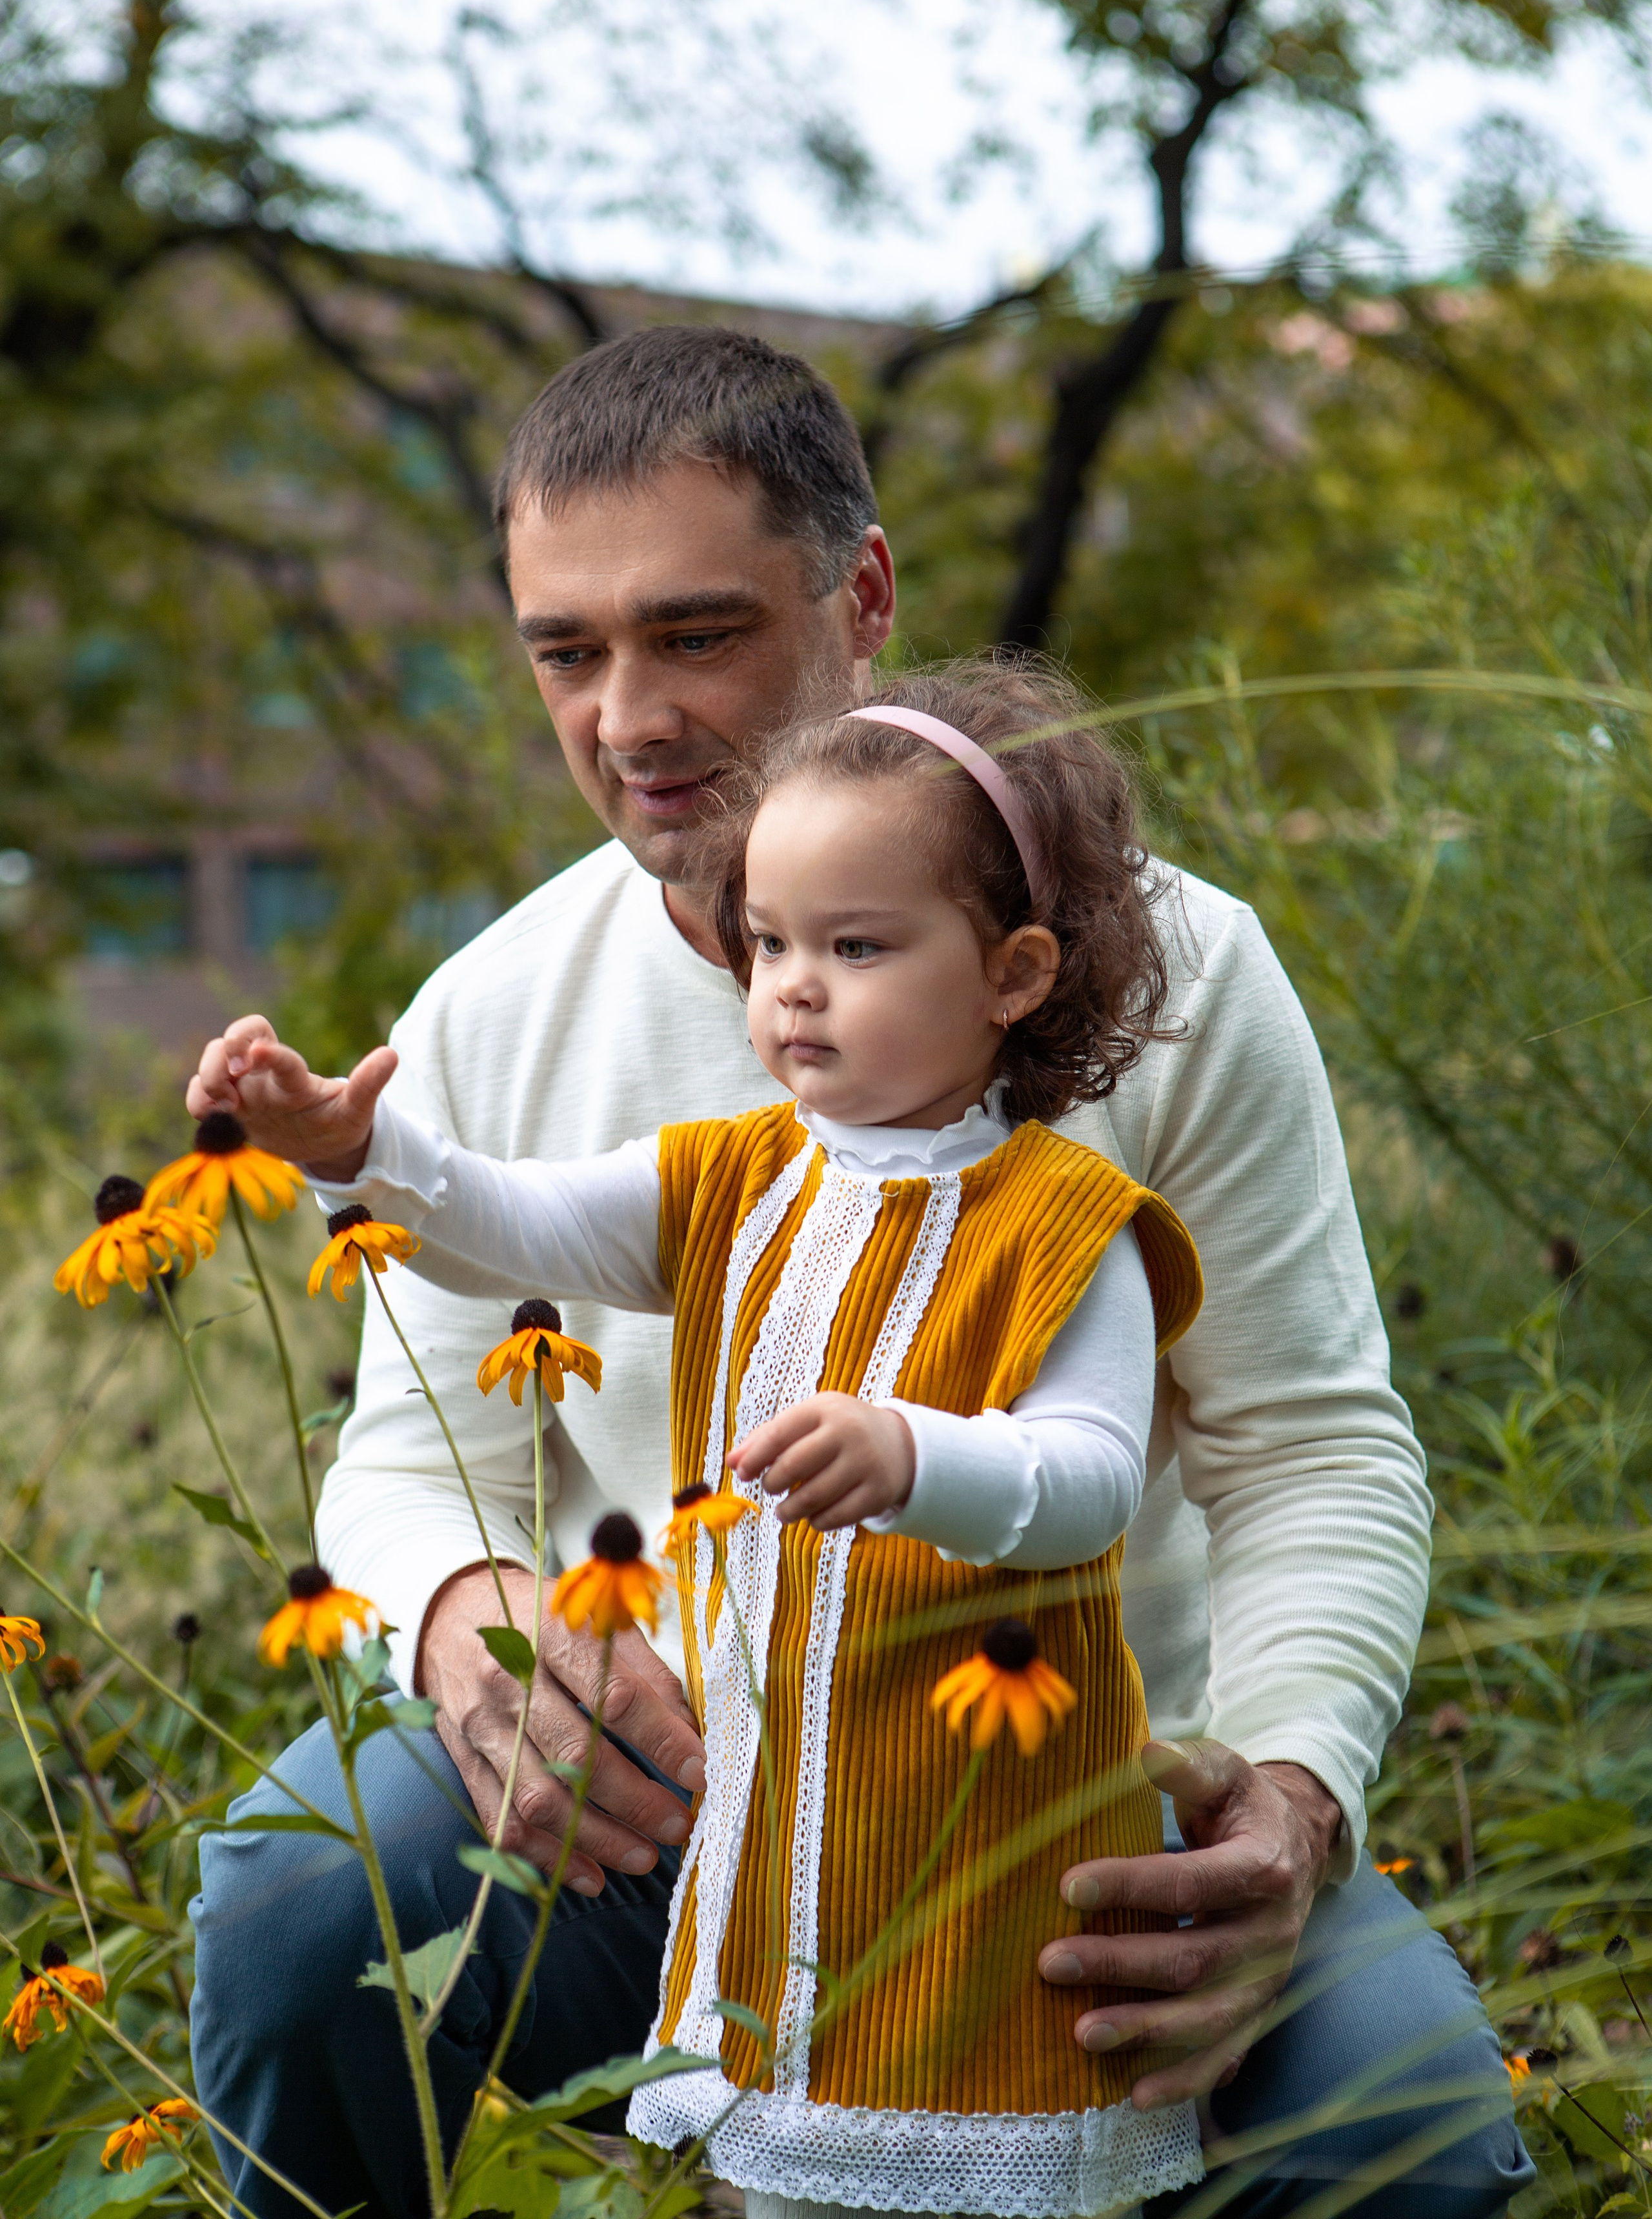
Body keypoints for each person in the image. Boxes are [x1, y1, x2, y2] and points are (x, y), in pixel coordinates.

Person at [186, 325, 1531, 2219]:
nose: (628, 717)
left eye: (696, 632)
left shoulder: (1184, 975)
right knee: (302, 1899)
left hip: (1081, 1817)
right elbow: (411, 1460)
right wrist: (471, 1625)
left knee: (1402, 2127)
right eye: (565, 653)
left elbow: (1312, 1448)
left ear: (864, 598)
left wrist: (1291, 1801)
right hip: (678, 1816)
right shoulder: (487, 1011)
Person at [194, 663, 1215, 2217]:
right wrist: (358, 1150)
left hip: (979, 1833)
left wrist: (914, 1456)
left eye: (855, 948)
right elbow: (507, 1221)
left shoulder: (1070, 1224)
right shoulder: (733, 1179)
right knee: (775, 2178)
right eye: (770, 944)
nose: (793, 988)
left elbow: (1085, 1484)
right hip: (774, 1833)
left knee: (966, 2173)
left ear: (1010, 974)